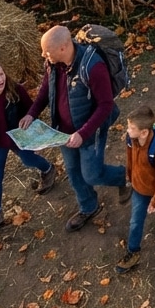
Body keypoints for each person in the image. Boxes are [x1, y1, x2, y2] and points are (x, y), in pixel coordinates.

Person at [20, 26, 130, 232]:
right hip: (64, 133)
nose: (44, 55)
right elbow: (47, 88)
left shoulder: (93, 67)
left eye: (47, 51)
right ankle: (88, 207)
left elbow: (106, 105)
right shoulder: (53, 64)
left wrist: (83, 133)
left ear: (62, 48)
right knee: (73, 171)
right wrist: (31, 113)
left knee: (92, 174)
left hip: (90, 131)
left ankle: (124, 176)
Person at [0, 58, 56, 241]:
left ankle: (48, 169)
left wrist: (30, 120)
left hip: (18, 138)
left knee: (28, 160)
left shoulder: (15, 90)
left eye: (1, 74)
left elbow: (31, 108)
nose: (0, 79)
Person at [115, 107, 155, 272]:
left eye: (131, 128)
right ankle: (133, 251)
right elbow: (130, 158)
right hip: (138, 188)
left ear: (143, 132)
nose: (127, 130)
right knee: (136, 221)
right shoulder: (131, 140)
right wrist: (129, 176)